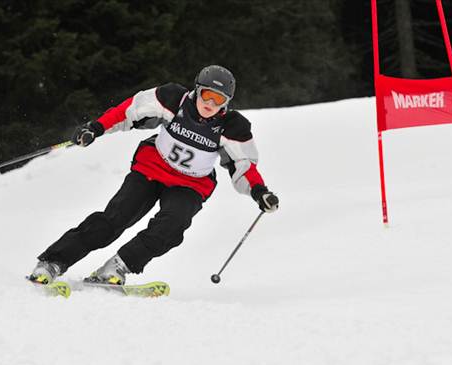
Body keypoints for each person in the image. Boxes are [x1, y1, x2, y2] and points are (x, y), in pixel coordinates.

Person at [28, 65, 279, 286]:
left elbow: (243, 165)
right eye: (207, 95)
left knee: (172, 226)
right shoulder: (172, 99)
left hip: (190, 184)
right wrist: (95, 128)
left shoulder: (233, 126)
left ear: (226, 103)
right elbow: (129, 111)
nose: (210, 104)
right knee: (114, 219)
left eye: (219, 100)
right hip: (151, 169)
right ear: (197, 90)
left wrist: (260, 192)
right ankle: (52, 262)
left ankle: (117, 267)